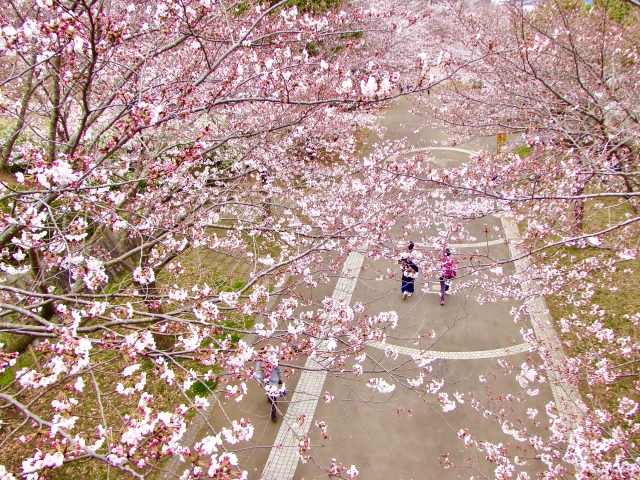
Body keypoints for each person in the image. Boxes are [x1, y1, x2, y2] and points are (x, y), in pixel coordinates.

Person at [254, 355, 284, 422]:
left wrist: (280, 378)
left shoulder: (272, 359)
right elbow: (258, 372)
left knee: (274, 400)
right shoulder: (259, 362)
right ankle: (269, 397)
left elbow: (278, 369)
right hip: (265, 381)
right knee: (268, 393)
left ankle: (273, 415)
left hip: (274, 382)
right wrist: (259, 381)